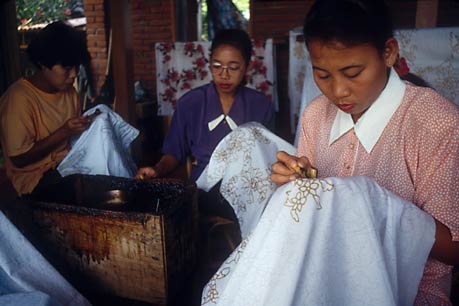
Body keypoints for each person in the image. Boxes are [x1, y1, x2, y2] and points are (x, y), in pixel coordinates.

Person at [270, 0, 459, 305]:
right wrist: (294, 186)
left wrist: (373, 204)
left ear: (388, 53)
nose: (339, 91)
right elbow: (309, 215)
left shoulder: (436, 124)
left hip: (408, 291)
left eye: (353, 72)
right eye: (323, 75)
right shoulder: (316, 116)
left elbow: (453, 246)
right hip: (324, 275)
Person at [136, 28, 274, 182]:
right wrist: (156, 169)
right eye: (217, 66)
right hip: (203, 188)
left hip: (247, 186)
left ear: (247, 67)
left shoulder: (260, 105)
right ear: (209, 65)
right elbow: (174, 153)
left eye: (233, 67)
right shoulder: (191, 103)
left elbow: (269, 155)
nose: (224, 74)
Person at [0, 21, 92, 197]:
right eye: (66, 68)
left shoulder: (70, 93)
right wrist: (64, 132)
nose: (73, 74)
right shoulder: (19, 98)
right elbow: (19, 159)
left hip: (67, 165)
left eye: (76, 66)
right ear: (43, 64)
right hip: (34, 179)